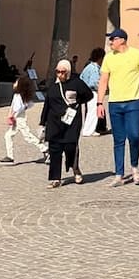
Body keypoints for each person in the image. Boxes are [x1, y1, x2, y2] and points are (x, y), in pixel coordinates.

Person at [97, 29, 139, 186]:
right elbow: (103, 81)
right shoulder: (108, 58)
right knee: (118, 139)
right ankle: (119, 174)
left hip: (133, 102)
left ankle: (135, 168)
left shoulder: (137, 55)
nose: (110, 43)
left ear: (122, 40)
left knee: (134, 135)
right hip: (114, 103)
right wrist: (99, 102)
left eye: (112, 40)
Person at [39, 60, 91, 188]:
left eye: (63, 72)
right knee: (55, 149)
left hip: (71, 122)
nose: (60, 75)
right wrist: (42, 122)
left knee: (70, 147)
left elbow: (88, 95)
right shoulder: (53, 85)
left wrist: (76, 103)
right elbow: (47, 104)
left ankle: (75, 168)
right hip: (54, 122)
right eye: (58, 72)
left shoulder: (77, 83)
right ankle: (55, 178)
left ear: (68, 72)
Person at [0, 74, 46, 165]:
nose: (14, 83)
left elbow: (19, 107)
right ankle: (10, 156)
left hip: (19, 119)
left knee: (27, 136)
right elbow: (28, 105)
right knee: (8, 135)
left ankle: (45, 149)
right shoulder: (19, 95)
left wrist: (12, 115)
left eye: (16, 82)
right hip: (18, 117)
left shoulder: (18, 96)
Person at [79, 48, 108, 134]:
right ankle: (89, 130)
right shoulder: (95, 68)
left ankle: (91, 129)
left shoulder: (88, 67)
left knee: (90, 111)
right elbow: (94, 82)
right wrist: (103, 88)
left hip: (87, 92)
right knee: (93, 112)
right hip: (93, 92)